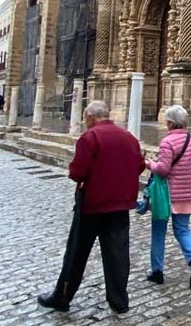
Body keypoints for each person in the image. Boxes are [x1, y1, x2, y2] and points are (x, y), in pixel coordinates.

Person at [38, 100, 144, 314]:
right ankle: (119, 301)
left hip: (92, 205)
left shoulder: (90, 137)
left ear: (90, 117)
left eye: (85, 118)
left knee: (76, 253)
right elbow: (139, 165)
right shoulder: (129, 138)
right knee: (118, 253)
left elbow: (78, 172)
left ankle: (62, 296)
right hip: (120, 205)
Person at [146, 104, 191, 288]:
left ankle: (157, 271)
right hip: (188, 191)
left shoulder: (167, 142)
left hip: (167, 194)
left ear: (170, 123)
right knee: (182, 229)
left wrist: (149, 164)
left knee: (158, 231)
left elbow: (163, 170)